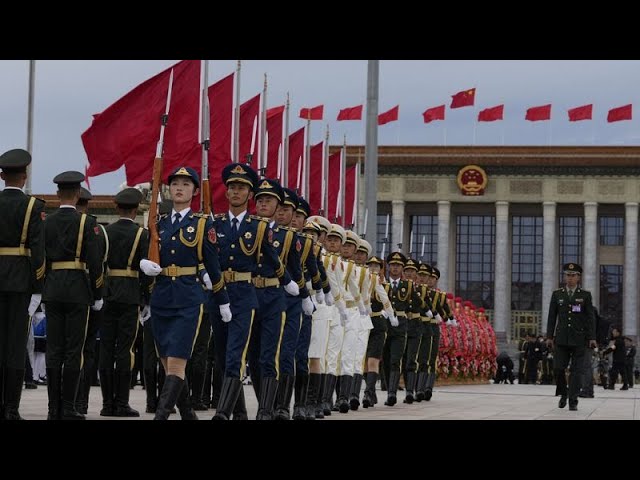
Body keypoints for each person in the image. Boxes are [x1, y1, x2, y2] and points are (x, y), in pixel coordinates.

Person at [140, 166, 230, 420]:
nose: (179, 188)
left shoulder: (202, 224)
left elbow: (213, 266)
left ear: (194, 191)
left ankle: (161, 415)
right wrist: (144, 268)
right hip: (161, 297)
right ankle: (188, 413)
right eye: (175, 184)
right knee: (166, 361)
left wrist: (222, 301)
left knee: (177, 362)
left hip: (188, 298)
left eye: (185, 184)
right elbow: (148, 257)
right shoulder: (160, 223)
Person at [209, 163, 290, 420]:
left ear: (248, 194)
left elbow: (273, 258)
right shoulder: (215, 224)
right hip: (220, 293)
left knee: (248, 355)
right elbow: (207, 256)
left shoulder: (258, 227)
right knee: (222, 355)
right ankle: (240, 410)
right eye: (232, 187)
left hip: (247, 294)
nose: (235, 192)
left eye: (241, 188)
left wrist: (289, 282)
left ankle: (254, 410)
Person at [43, 171, 104, 420]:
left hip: (53, 288)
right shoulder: (87, 223)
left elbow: (41, 257)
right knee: (73, 351)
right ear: (78, 195)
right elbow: (95, 262)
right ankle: (68, 407)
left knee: (53, 349)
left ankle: (52, 409)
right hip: (78, 290)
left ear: (58, 194)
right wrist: (98, 292)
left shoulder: (46, 222)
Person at [0, 149, 45, 420]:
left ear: (2, 176)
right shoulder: (33, 207)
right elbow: (38, 252)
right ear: (24, 176)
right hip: (20, 283)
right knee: (16, 347)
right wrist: (38, 287)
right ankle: (11, 408)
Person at [98, 188, 150, 417]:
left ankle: (107, 403)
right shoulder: (142, 234)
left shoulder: (105, 232)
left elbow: (98, 265)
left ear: (117, 208)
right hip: (129, 294)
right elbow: (146, 270)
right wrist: (145, 298)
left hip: (108, 293)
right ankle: (122, 403)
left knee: (106, 348)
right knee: (125, 350)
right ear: (136, 209)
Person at [74, 187, 107, 415]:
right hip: (88, 294)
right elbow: (100, 264)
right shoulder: (97, 229)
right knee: (87, 350)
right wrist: (98, 294)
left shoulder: (58, 223)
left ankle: (61, 402)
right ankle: (81, 402)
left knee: (64, 349)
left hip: (61, 291)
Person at [546, 262, 596, 411]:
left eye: (573, 275)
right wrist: (549, 336)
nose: (570, 278)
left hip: (579, 339)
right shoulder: (557, 294)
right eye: (567, 275)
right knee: (558, 368)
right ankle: (563, 393)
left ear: (578, 277)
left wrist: (592, 337)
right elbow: (551, 316)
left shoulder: (585, 295)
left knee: (576, 371)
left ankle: (573, 399)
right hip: (561, 338)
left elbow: (590, 318)